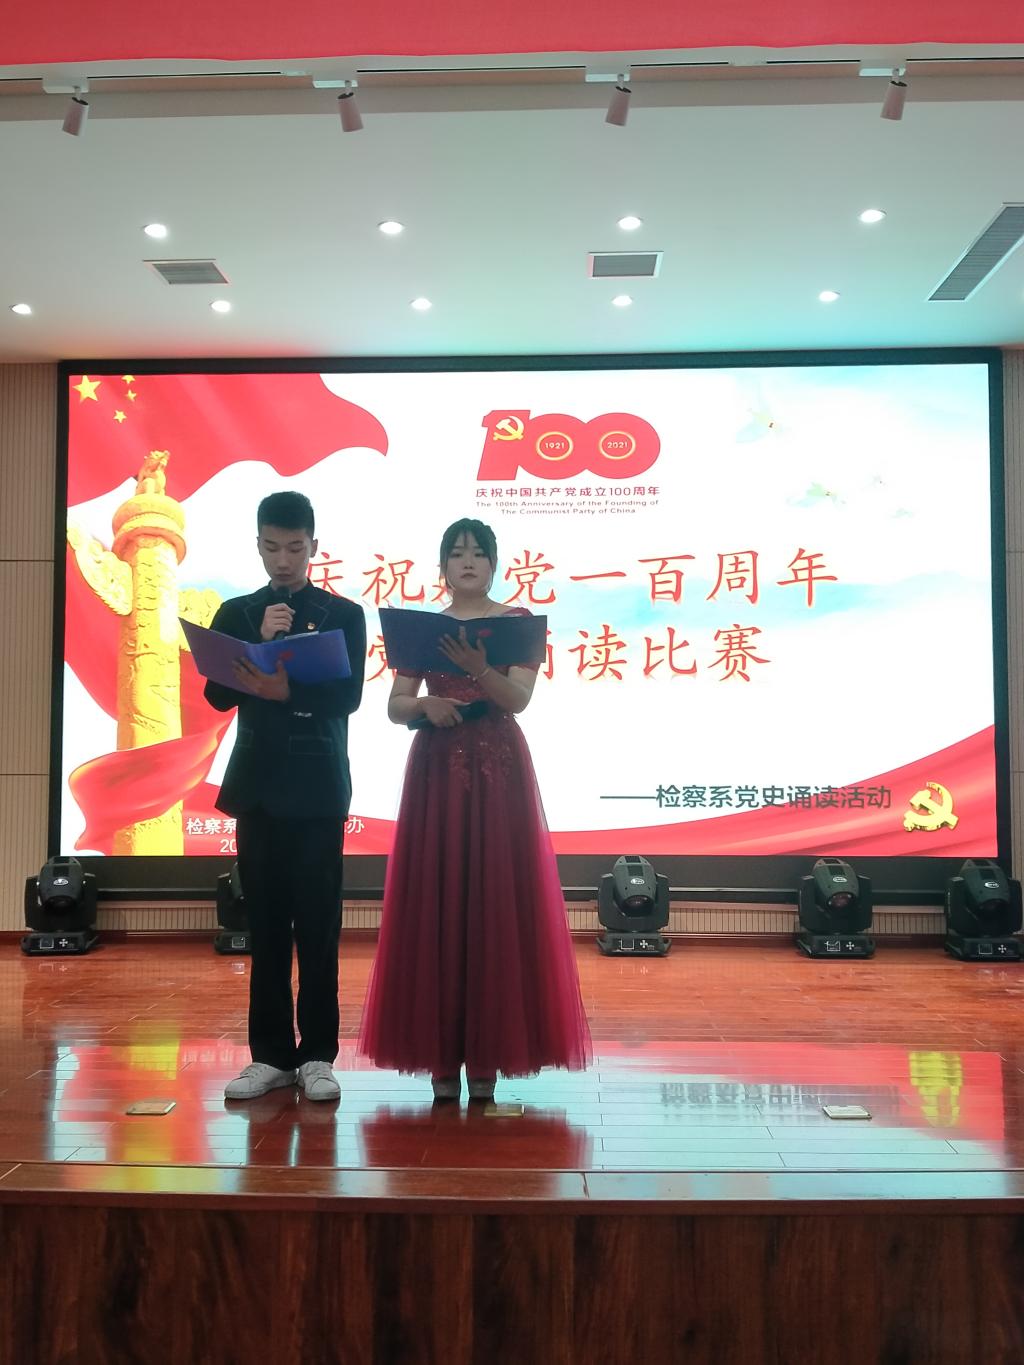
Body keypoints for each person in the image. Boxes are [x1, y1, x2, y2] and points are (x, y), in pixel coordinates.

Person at [358, 517, 591, 1100]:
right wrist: (425, 705)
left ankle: (488, 1058)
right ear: (442, 566)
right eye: (457, 553)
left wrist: (479, 668)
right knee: (436, 897)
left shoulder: (515, 623)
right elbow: (395, 705)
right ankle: (440, 1060)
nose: (467, 561)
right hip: (437, 765)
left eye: (478, 553)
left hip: (497, 765)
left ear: (493, 564)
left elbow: (519, 699)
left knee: (495, 898)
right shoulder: (423, 628)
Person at [204, 491, 365, 1102]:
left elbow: (347, 699)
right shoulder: (237, 612)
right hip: (259, 790)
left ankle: (318, 1055)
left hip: (318, 788)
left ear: (313, 547)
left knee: (319, 929)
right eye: (272, 547)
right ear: (258, 545)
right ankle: (270, 1056)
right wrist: (255, 641)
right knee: (266, 929)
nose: (283, 560)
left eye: (295, 548)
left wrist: (284, 689)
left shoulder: (342, 614)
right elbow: (217, 697)